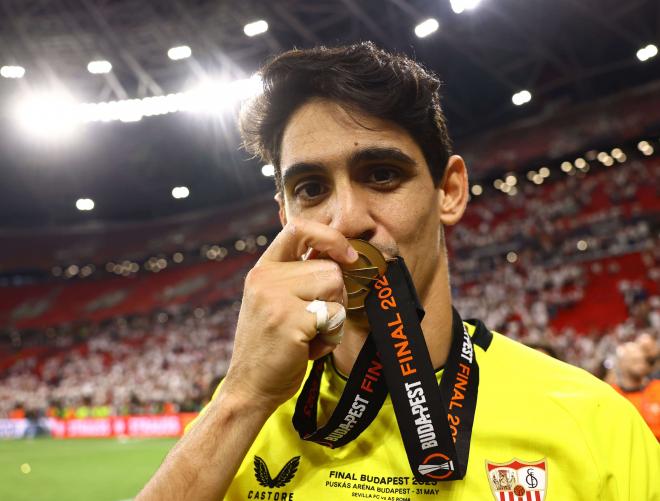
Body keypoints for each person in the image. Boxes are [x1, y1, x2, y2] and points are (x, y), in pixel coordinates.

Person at [137, 42, 659, 501]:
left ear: (449, 191)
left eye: (382, 175)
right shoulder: (239, 421)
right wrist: (241, 399)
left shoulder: (593, 423)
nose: (346, 221)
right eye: (311, 189)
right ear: (284, 218)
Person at [611, 340, 660, 438]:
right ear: (621, 364)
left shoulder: (657, 387)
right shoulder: (613, 394)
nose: (640, 364)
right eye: (634, 360)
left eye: (641, 359)